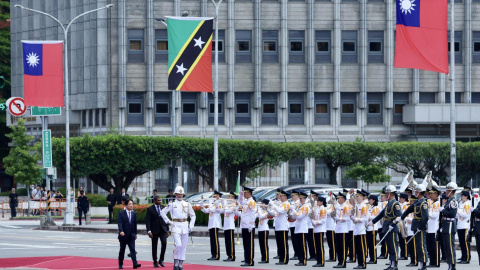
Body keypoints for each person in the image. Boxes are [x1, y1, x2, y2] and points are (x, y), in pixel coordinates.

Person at [160, 186, 196, 270]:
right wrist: (169, 222)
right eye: (178, 194)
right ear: (175, 194)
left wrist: (191, 226)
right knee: (178, 244)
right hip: (176, 225)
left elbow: (193, 216)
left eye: (181, 194)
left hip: (185, 225)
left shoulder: (187, 204)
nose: (180, 195)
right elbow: (162, 212)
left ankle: (180, 264)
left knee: (183, 246)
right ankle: (175, 263)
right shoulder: (172, 204)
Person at [372, 185, 401, 270]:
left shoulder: (395, 204)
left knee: (393, 246)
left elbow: (399, 216)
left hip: (392, 227)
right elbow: (382, 213)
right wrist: (373, 221)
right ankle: (391, 264)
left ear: (390, 193)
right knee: (389, 246)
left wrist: (393, 224)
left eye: (387, 193)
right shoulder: (389, 203)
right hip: (387, 226)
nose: (385, 195)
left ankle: (394, 265)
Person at [401, 184, 428, 270]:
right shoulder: (417, 202)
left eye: (416, 191)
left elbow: (425, 217)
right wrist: (401, 217)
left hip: (420, 227)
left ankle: (423, 264)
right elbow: (409, 210)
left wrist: (421, 227)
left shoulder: (424, 203)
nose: (415, 193)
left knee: (421, 246)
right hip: (415, 226)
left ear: (419, 193)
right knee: (418, 246)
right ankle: (420, 264)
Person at [236, 186, 257, 267]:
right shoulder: (246, 202)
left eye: (245, 192)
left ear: (249, 193)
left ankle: (250, 261)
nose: (244, 194)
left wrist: (251, 224)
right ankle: (246, 259)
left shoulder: (252, 202)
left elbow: (253, 214)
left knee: (249, 244)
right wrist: (240, 195)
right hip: (244, 225)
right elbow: (241, 204)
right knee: (245, 244)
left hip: (249, 226)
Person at [146, 195, 169, 268]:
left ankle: (161, 260)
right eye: (158, 200)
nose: (160, 202)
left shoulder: (163, 208)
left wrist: (168, 230)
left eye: (160, 200)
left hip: (163, 229)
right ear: (154, 201)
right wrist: (149, 231)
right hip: (154, 230)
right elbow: (148, 221)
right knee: (154, 246)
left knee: (164, 243)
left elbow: (166, 219)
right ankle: (155, 261)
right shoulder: (150, 209)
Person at [118, 199, 141, 269]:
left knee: (133, 250)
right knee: (122, 250)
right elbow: (120, 223)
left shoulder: (133, 213)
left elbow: (135, 224)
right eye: (130, 204)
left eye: (132, 204)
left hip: (131, 235)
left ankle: (135, 263)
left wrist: (136, 233)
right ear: (126, 205)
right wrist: (121, 231)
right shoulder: (121, 214)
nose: (131, 205)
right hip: (123, 235)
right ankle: (120, 263)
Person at [270, 189, 291, 265]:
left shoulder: (286, 204)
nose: (280, 197)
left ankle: (285, 259)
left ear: (285, 196)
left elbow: (280, 210)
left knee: (283, 244)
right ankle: (281, 259)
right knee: (280, 244)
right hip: (278, 226)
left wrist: (273, 204)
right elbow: (275, 213)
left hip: (283, 226)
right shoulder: (281, 204)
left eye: (281, 196)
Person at [200, 190, 223, 261]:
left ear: (218, 197)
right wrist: (202, 203)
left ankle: (216, 255)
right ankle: (213, 254)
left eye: (215, 196)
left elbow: (214, 210)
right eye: (213, 196)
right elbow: (206, 211)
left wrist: (210, 207)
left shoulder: (219, 204)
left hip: (215, 224)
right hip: (211, 224)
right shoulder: (212, 204)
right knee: (212, 240)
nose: (213, 197)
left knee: (215, 240)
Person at [441, 182, 458, 270]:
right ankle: (449, 265)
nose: (446, 191)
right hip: (446, 225)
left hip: (450, 225)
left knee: (450, 247)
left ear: (451, 191)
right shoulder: (449, 201)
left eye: (448, 190)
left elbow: (452, 214)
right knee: (447, 247)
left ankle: (452, 265)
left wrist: (443, 211)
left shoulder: (453, 201)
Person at [333, 192, 350, 269]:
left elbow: (347, 218)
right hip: (338, 228)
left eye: (339, 198)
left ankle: (343, 262)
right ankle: (339, 261)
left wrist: (339, 219)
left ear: (343, 199)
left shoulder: (346, 207)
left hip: (343, 229)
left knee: (343, 247)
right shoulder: (338, 207)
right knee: (338, 247)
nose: (338, 199)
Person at [352, 190, 368, 269]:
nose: (356, 198)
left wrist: (355, 219)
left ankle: (363, 264)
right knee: (357, 248)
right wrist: (352, 217)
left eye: (358, 196)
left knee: (362, 248)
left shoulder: (364, 206)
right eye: (356, 196)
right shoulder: (357, 206)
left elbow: (365, 218)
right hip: (356, 229)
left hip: (361, 229)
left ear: (362, 197)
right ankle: (359, 263)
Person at [221, 191, 238, 262]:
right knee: (227, 242)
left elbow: (229, 211)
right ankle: (228, 255)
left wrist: (224, 205)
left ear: (233, 198)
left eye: (230, 197)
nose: (228, 198)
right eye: (228, 196)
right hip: (226, 226)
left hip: (230, 226)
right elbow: (220, 211)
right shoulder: (227, 205)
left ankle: (232, 256)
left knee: (230, 242)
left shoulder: (234, 205)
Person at [427, 186, 441, 267]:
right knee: (430, 247)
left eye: (432, 194)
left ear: (436, 194)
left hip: (434, 228)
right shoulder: (432, 203)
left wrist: (426, 212)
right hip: (430, 228)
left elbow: (434, 215)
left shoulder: (437, 203)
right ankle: (432, 262)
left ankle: (436, 262)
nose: (430, 195)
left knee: (435, 247)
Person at [457, 190, 471, 264]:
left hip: (465, 225)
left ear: (466, 197)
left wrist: (459, 212)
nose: (461, 197)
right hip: (460, 225)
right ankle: (463, 256)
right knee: (461, 242)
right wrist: (459, 213)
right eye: (461, 196)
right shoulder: (460, 203)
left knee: (465, 242)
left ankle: (467, 258)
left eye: (462, 196)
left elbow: (466, 215)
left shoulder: (467, 204)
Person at [312, 196, 327, 267]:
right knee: (317, 246)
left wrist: (315, 222)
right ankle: (318, 260)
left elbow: (323, 220)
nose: (317, 202)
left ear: (322, 202)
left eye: (318, 201)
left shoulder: (323, 209)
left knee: (320, 246)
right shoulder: (317, 209)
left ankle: (321, 261)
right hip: (316, 229)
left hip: (320, 229)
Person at [366, 194, 380, 264]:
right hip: (368, 228)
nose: (369, 201)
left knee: (372, 244)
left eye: (370, 199)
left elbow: (375, 216)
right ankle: (371, 258)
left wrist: (368, 217)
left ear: (374, 200)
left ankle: (374, 259)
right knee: (369, 244)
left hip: (373, 228)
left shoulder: (376, 208)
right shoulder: (369, 207)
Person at [257, 199, 270, 264]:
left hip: (265, 229)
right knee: (261, 245)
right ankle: (263, 258)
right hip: (260, 229)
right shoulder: (261, 210)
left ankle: (266, 259)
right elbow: (256, 216)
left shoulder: (267, 211)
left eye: (263, 203)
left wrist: (258, 210)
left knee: (264, 245)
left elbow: (261, 216)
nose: (262, 205)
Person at [397, 193, 409, 261]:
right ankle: (402, 254)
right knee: (401, 241)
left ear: (404, 199)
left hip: (404, 224)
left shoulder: (406, 205)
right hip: (400, 224)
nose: (399, 199)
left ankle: (405, 254)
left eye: (401, 198)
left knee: (404, 240)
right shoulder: (400, 205)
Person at [326, 193, 337, 262]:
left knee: (332, 243)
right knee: (330, 243)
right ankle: (331, 256)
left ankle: (333, 257)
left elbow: (327, 212)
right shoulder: (329, 206)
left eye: (331, 199)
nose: (330, 200)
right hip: (328, 227)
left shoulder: (334, 206)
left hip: (332, 227)